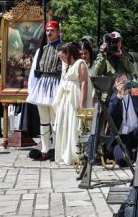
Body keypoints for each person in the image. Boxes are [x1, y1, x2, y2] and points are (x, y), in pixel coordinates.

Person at [26, 20, 63, 161]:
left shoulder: (63, 49)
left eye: (52, 30)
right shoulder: (41, 50)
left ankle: (57, 148)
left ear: (58, 32)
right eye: (47, 31)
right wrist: (32, 89)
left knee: (55, 119)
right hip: (42, 86)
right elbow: (35, 71)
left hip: (56, 85)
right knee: (44, 120)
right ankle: (45, 149)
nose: (49, 33)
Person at [52, 41, 92, 165]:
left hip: (76, 96)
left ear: (68, 53)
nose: (60, 58)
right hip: (66, 98)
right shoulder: (66, 65)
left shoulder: (80, 63)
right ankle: (66, 153)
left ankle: (77, 154)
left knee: (76, 125)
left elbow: (85, 82)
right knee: (65, 124)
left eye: (62, 55)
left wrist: (82, 103)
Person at [106, 72, 138, 167]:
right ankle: (130, 154)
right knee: (123, 161)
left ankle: (137, 153)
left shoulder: (135, 92)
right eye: (120, 83)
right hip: (121, 136)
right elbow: (110, 115)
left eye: (125, 81)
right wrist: (119, 96)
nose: (123, 84)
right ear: (115, 85)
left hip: (137, 132)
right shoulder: (112, 98)